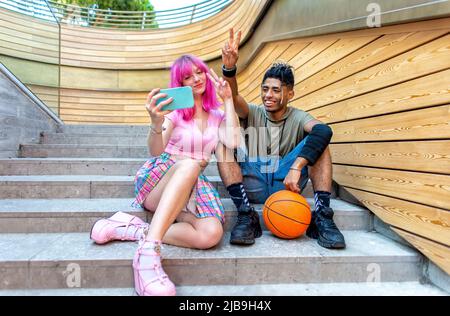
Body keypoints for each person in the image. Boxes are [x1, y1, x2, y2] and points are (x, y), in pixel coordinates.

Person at [89, 54, 240, 296]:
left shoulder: (218, 115)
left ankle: (134, 230)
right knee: (191, 164)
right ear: (180, 84)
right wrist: (156, 123)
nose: (196, 79)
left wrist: (229, 100)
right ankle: (147, 255)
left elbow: (232, 141)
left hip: (193, 186)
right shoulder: (176, 112)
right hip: (161, 180)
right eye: (187, 77)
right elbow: (156, 152)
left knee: (211, 233)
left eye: (199, 72)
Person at [217, 29, 346, 249]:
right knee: (222, 142)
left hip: (284, 183)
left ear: (290, 94)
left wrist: (297, 166)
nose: (268, 95)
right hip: (254, 179)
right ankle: (246, 214)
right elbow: (233, 95)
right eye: (265, 89)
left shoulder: (298, 116)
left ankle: (323, 216)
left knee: (320, 139)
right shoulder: (253, 111)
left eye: (276, 90)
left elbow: (324, 131)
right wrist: (229, 69)